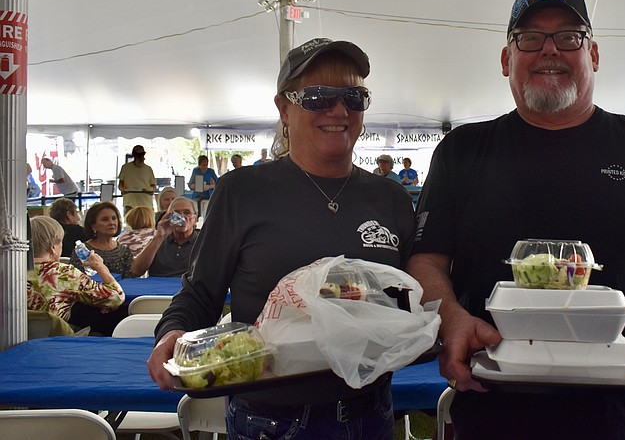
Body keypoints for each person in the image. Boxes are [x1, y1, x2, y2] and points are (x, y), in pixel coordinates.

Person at [405, 0, 625, 439]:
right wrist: (452, 319)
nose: (549, 50)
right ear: (506, 60)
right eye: (530, 38)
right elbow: (427, 260)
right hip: (494, 409)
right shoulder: (462, 151)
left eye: (569, 37)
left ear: (592, 55)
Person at [147, 38, 415, 440]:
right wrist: (172, 333)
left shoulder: (390, 197)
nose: (339, 110)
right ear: (284, 108)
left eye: (354, 97)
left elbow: (411, 299)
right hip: (272, 420)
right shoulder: (241, 191)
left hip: (372, 411)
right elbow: (200, 293)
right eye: (318, 96)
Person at [27, 216, 127, 336]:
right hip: (57, 340)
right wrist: (101, 267)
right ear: (53, 248)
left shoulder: (11, 272)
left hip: (15, 340)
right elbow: (116, 297)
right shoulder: (64, 273)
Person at [69, 201, 139, 279]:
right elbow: (74, 280)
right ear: (93, 226)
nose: (111, 222)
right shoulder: (82, 252)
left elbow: (130, 280)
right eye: (105, 219)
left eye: (114, 218)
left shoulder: (124, 251)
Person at [132, 197, 199, 277]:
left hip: (190, 284)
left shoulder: (203, 241)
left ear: (195, 219)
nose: (181, 217)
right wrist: (159, 237)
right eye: (176, 213)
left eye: (187, 213)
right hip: (158, 284)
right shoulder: (159, 240)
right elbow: (136, 271)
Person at [118, 145, 157, 213]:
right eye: (138, 155)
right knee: (129, 219)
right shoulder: (126, 168)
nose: (140, 157)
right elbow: (121, 184)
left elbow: (153, 186)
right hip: (130, 204)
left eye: (142, 154)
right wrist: (123, 189)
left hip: (146, 204)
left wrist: (148, 190)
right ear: (134, 155)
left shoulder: (148, 169)